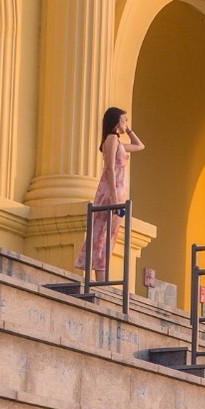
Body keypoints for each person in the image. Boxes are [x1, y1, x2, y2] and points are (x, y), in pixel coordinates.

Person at [76, 106, 143, 279]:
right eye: (124, 119)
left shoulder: (118, 142)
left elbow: (139, 146)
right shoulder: (112, 139)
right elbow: (110, 169)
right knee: (102, 234)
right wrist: (113, 196)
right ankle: (99, 278)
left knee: (109, 235)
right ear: (116, 121)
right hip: (110, 193)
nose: (126, 122)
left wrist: (128, 129)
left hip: (118, 193)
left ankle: (101, 277)